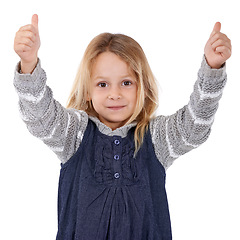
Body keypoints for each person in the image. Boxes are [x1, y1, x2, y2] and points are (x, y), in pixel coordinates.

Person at [13, 14, 231, 240]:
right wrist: (29, 64)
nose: (114, 94)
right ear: (87, 90)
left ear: (142, 87)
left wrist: (212, 68)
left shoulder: (156, 137)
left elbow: (194, 127)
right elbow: (40, 116)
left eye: (126, 83)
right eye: (102, 84)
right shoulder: (74, 134)